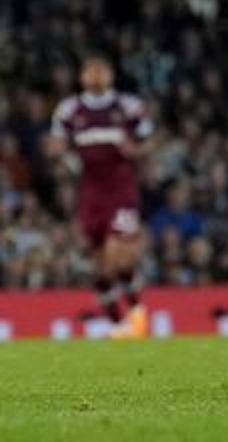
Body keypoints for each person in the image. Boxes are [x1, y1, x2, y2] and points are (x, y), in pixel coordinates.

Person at [48, 55, 152, 338]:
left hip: (121, 190)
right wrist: (63, 158)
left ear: (110, 75)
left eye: (101, 70)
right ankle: (119, 324)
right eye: (90, 70)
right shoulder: (69, 110)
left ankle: (137, 310)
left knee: (119, 255)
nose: (95, 75)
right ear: (82, 76)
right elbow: (55, 144)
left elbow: (147, 142)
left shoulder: (128, 106)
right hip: (91, 192)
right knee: (101, 266)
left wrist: (136, 151)